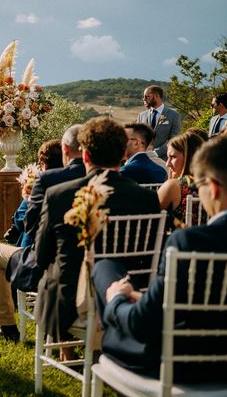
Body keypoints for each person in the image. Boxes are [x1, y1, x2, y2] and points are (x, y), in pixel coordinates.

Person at [92, 135, 227, 381]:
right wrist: (145, 298)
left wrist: (115, 300)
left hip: (180, 365)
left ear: (214, 187)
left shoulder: (187, 242)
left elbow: (141, 324)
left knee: (107, 275)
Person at [34, 117, 160, 343]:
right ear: (124, 154)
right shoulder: (149, 199)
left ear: (84, 155)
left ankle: (65, 348)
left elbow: (41, 257)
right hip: (126, 296)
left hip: (70, 305)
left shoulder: (59, 195)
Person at [0, 125, 85, 342]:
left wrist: (29, 201)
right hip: (96, 273)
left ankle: (8, 328)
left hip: (51, 268)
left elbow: (31, 226)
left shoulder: (48, 180)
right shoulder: (106, 180)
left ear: (66, 150)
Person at [5, 139, 63, 247]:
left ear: (43, 164)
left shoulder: (41, 184)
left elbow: (21, 221)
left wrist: (27, 199)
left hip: (33, 248)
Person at [157, 132, 204, 228]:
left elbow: (150, 216)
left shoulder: (175, 186)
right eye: (167, 158)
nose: (167, 164)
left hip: (183, 241)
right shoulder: (216, 185)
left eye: (173, 157)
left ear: (190, 157)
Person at [137, 86, 181, 160]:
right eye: (144, 97)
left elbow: (174, 139)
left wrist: (155, 153)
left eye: (147, 96)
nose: (144, 99)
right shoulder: (141, 115)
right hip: (143, 159)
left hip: (164, 160)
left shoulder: (174, 115)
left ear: (157, 96)